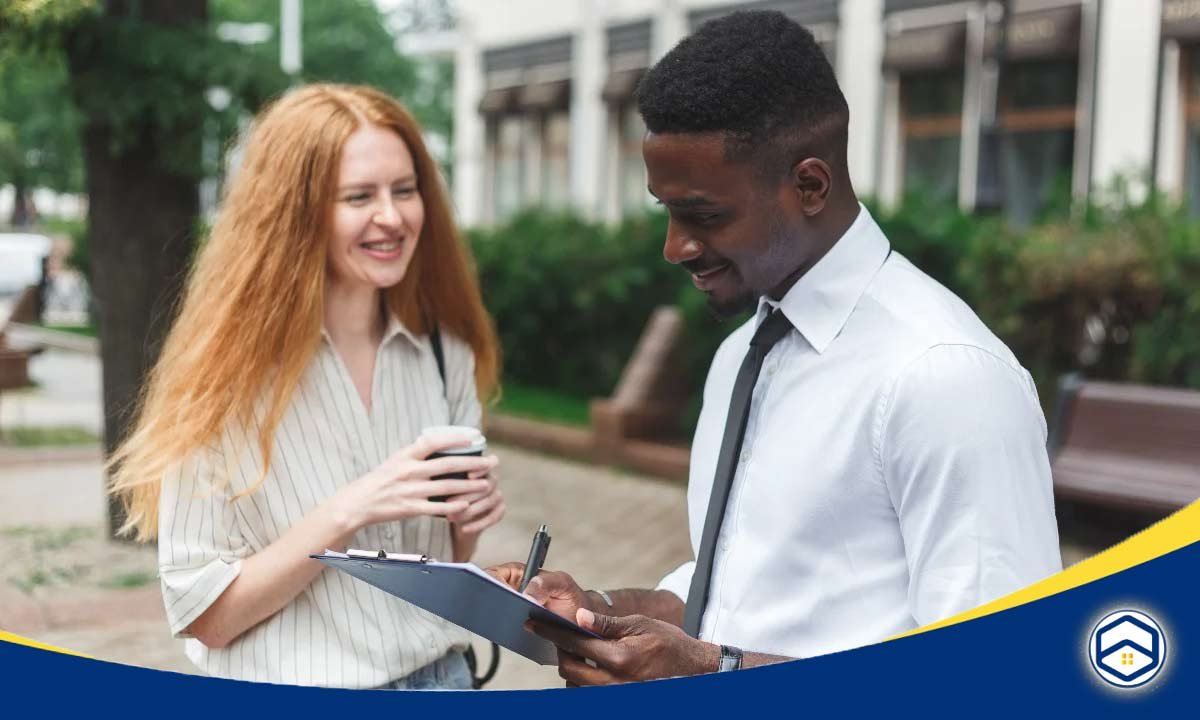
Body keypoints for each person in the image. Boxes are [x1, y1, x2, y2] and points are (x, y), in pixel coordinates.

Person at [490, 11, 1061, 684]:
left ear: (810, 185)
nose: (675, 247)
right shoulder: (744, 351)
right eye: (667, 213)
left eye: (703, 215)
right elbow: (737, 588)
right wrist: (602, 613)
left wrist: (712, 671)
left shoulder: (944, 378)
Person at [109, 84, 505, 689]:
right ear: (297, 211)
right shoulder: (224, 383)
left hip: (443, 680)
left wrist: (466, 523)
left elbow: (449, 559)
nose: (393, 216)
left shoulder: (443, 354)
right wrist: (351, 509)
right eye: (359, 196)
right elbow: (206, 618)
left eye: (404, 190)